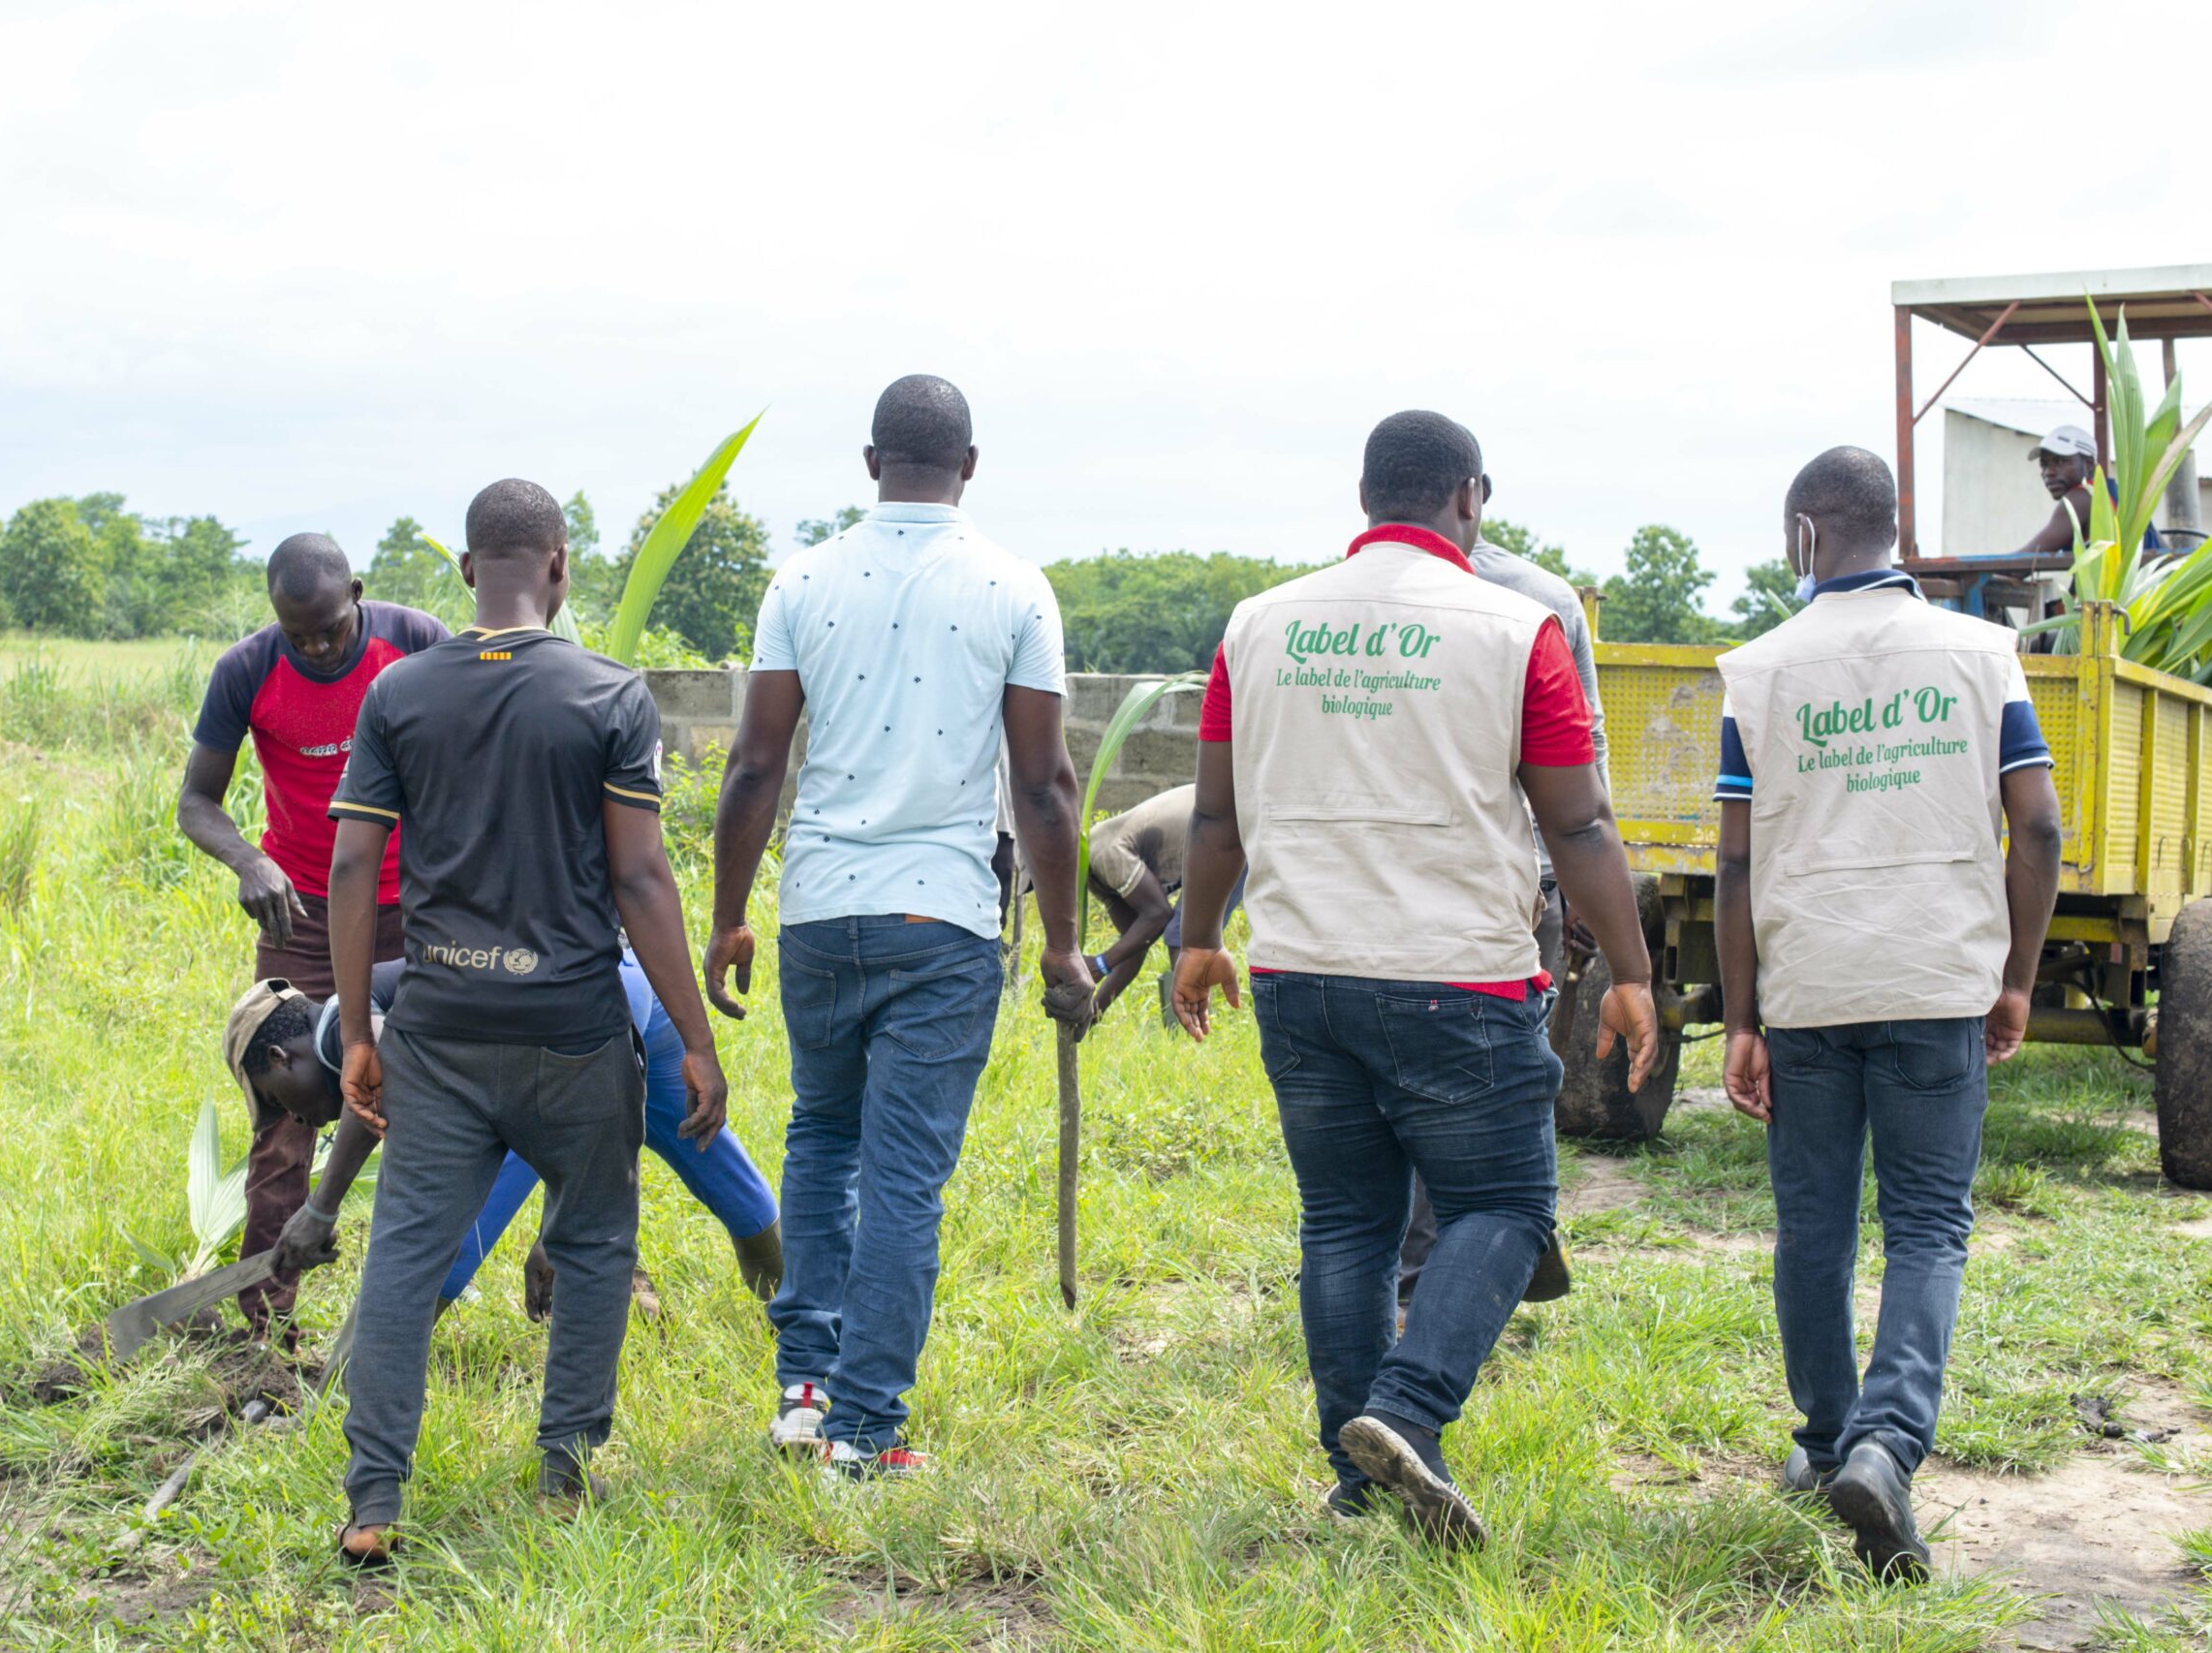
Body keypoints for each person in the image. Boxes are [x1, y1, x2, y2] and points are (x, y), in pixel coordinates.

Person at [1170, 410, 1661, 1549]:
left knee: (1345, 1219)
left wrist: (1199, 936)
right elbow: (1575, 817)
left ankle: (1361, 1480)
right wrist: (1629, 969)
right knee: (1505, 1202)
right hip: (1459, 980)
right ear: (1469, 499)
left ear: (1363, 498)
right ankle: (1404, 1410)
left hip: (1300, 972)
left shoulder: (1258, 625)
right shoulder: (1517, 629)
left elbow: (1213, 808)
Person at [322, 479, 727, 1567]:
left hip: (440, 1028)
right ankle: (563, 1472)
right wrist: (693, 1036)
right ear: (559, 564)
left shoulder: (399, 694)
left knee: (402, 1258)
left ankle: (373, 1499)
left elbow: (354, 863)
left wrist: (360, 1029)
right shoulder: (607, 694)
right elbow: (641, 878)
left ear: (466, 570)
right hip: (574, 1029)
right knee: (594, 1243)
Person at [703, 374, 1095, 1482]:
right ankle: (866, 1430)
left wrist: (731, 916)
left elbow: (755, 763)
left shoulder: (803, 579)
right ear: (968, 466)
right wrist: (1062, 943)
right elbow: (1047, 782)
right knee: (904, 1177)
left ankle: (807, 1391)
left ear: (872, 464)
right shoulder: (1015, 588)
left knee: (823, 1142)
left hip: (822, 908)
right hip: (945, 917)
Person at [1716, 446, 2062, 1580]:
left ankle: (1825, 1444)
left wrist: (1740, 1017)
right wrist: (2014, 975)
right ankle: (1886, 1441)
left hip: (1811, 985)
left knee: (1813, 1225)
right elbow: (2040, 826)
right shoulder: (1980, 652)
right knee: (1926, 1225)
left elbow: (1732, 862)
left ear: (1803, 535)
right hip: (1935, 978)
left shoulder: (1757, 669)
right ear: (1889, 523)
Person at [177, 535, 448, 1338]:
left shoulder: (417, 644)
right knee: (286, 1109)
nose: (319, 648)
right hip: (302, 914)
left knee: (444, 1092)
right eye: (299, 635)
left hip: (421, 907)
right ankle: (266, 1324)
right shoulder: (248, 670)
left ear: (357, 594)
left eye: (330, 629)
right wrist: (248, 860)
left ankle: (426, 1295)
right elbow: (197, 800)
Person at [232, 956, 782, 1313]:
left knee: (441, 1252)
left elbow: (383, 1071)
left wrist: (322, 1208)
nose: (299, 1121)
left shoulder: (341, 1030)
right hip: (628, 974)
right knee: (713, 1159)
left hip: (576, 1016)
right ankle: (796, 1322)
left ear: (283, 1058)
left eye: (281, 1101)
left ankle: (339, 1396)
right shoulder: (371, 992)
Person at [1396, 522, 1610, 1313]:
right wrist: (1587, 886)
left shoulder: (1363, 600)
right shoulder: (1543, 599)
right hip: (1523, 881)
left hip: (1399, 881)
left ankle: (1445, 1263)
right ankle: (1506, 1238)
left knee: (1412, 1085)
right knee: (1516, 1079)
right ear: (1470, 495)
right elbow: (1586, 764)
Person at [1082, 782, 1247, 1020]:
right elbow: (1134, 947)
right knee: (1175, 933)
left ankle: (1190, 1032)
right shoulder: (1096, 873)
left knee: (1182, 933)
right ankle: (1185, 1026)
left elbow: (1158, 915)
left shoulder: (1103, 854)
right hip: (1209, 833)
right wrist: (1089, 1017)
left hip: (1229, 837)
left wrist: (1100, 964)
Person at [2009, 423, 2160, 558]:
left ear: (2088, 465)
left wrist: (1985, 567)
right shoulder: (2116, 493)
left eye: (2061, 461)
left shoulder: (2081, 498)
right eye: (2044, 465)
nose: (2049, 472)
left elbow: (2024, 562)